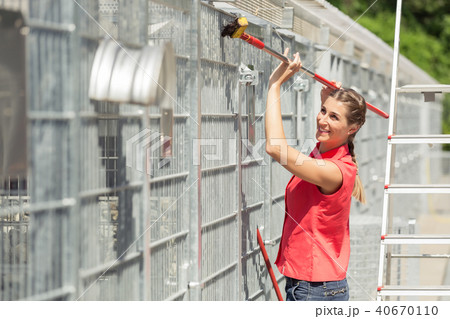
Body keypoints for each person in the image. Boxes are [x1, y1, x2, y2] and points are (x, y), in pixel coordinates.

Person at [265, 48, 366, 301]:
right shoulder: (324, 156)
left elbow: (275, 148)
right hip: (313, 285)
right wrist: (329, 99)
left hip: (314, 289)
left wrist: (275, 85)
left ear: (353, 128)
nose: (323, 120)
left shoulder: (335, 171)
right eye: (322, 111)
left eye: (334, 117)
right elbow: (324, 137)